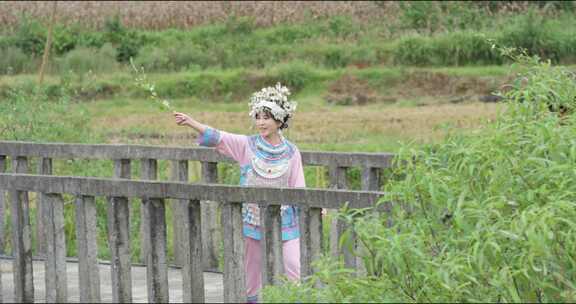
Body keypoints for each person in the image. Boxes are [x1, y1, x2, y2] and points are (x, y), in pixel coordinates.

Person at [173, 83, 303, 303]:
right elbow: (219, 137)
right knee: (251, 272)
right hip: (253, 218)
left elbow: (298, 184)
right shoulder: (247, 145)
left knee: (295, 265)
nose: (260, 122)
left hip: (285, 218)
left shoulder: (291, 152)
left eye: (266, 117)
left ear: (280, 120)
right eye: (258, 116)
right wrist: (192, 123)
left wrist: (314, 208)